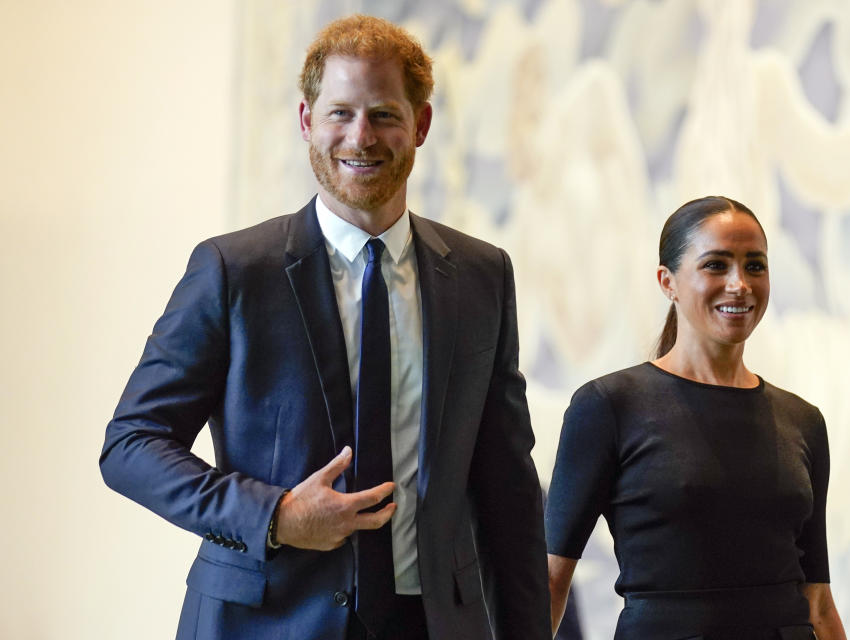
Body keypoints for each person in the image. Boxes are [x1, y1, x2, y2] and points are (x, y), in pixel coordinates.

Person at [100, 14, 550, 640]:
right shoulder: (234, 270)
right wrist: (276, 515)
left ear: (420, 125)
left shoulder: (481, 276)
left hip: (432, 624)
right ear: (306, 120)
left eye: (385, 115)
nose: (360, 137)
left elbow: (509, 488)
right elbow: (131, 445)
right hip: (263, 621)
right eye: (340, 113)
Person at [544, 196, 846, 640]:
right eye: (716, 265)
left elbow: (817, 599)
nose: (739, 284)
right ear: (668, 282)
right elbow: (551, 581)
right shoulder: (608, 406)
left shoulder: (803, 421)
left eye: (755, 266)